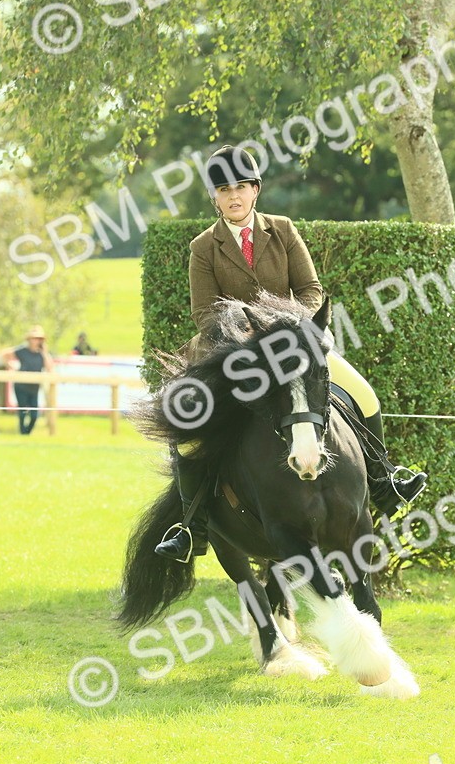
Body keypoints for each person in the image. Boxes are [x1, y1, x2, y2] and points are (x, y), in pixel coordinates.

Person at [154, 144, 429, 562]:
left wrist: (288, 331)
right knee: (189, 426)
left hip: (294, 345)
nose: (234, 195)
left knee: (365, 394)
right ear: (214, 197)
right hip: (234, 355)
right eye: (224, 189)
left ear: (256, 190)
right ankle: (191, 526)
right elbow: (204, 312)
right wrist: (250, 338)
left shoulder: (282, 230)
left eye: (241, 187)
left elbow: (311, 289)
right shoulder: (203, 247)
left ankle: (384, 478)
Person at [3, 326, 53, 435]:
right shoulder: (22, 351)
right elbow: (4, 354)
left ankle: (27, 433)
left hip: (34, 388)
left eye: (39, 339)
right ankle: (23, 433)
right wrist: (10, 366)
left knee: (34, 414)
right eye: (34, 338)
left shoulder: (42, 354)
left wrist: (45, 353)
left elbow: (49, 368)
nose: (36, 341)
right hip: (21, 386)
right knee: (22, 412)